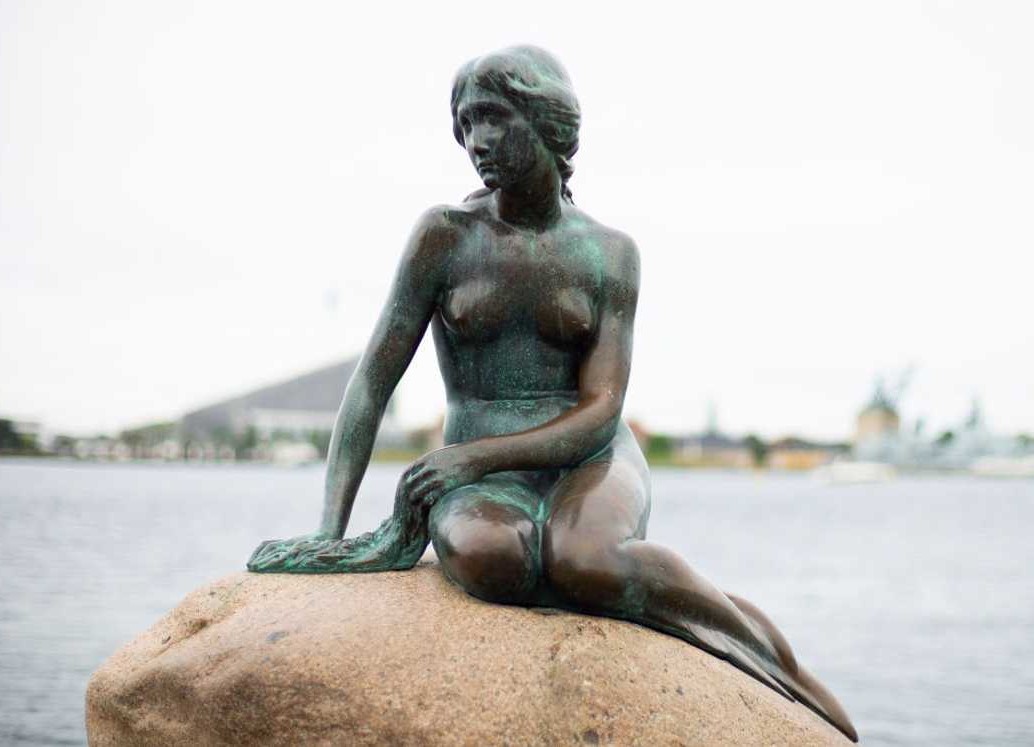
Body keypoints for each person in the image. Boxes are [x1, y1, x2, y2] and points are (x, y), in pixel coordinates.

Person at [249, 45, 857, 742]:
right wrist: (330, 527)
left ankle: (766, 652)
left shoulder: (610, 252)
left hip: (591, 454)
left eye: (494, 119)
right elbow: (371, 383)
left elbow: (602, 408)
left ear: (546, 123)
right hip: (485, 470)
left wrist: (468, 461)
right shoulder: (444, 237)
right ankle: (658, 588)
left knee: (586, 558)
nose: (476, 140)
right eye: (465, 122)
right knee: (494, 559)